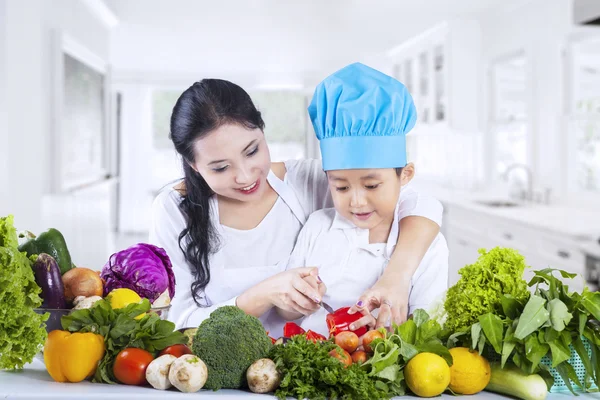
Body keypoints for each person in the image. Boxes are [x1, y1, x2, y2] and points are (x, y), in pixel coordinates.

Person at [149, 77, 443, 337]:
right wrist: (260, 296)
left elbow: (414, 201)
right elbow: (175, 321)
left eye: (252, 151)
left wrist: (396, 277)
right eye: (221, 168)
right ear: (194, 165)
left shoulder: (304, 181)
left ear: (263, 131)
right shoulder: (175, 209)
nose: (245, 175)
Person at [279, 63, 449, 336]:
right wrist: (300, 297)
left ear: (405, 175)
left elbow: (430, 330)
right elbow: (284, 312)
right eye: (342, 188)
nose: (356, 202)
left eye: (371, 185)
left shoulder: (429, 246)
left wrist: (391, 329)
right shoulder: (317, 227)